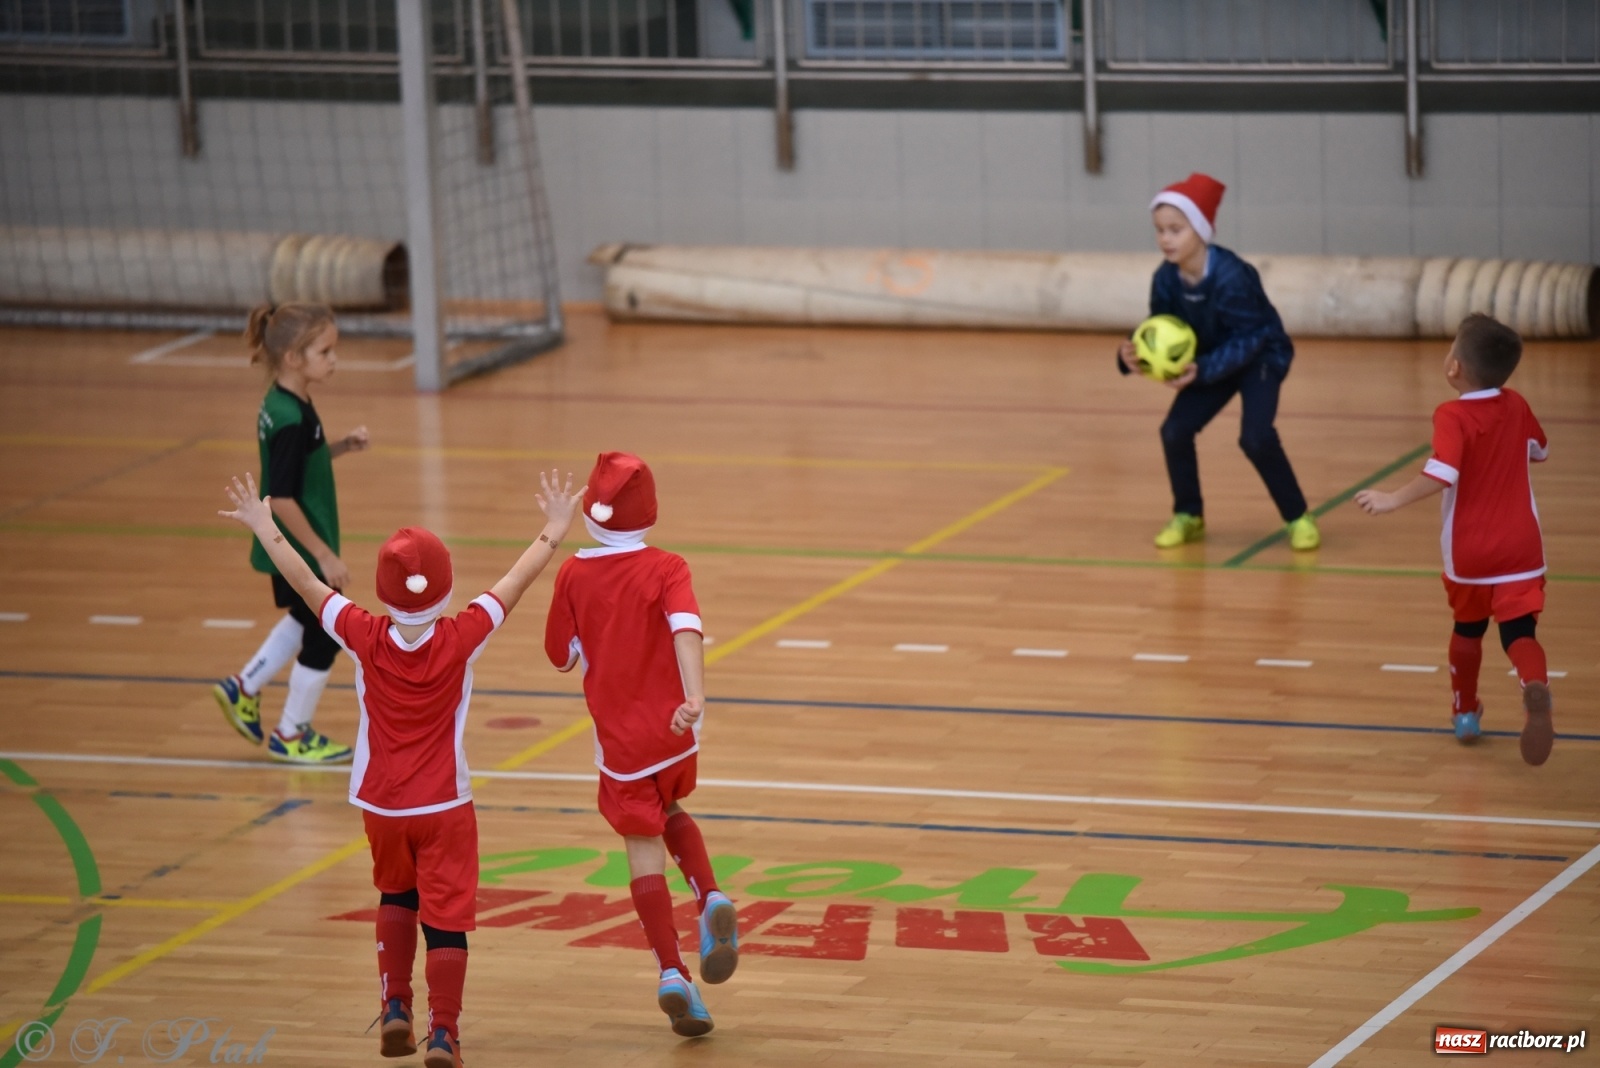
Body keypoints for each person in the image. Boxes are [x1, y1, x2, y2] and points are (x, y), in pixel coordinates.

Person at [220, 467, 585, 1067]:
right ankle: (443, 1033)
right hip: (444, 805)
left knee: (395, 894)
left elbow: (307, 585)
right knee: (446, 922)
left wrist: (266, 527)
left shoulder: (363, 634)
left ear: (383, 591)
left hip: (383, 805)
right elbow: (516, 581)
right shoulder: (463, 634)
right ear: (446, 587)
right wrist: (553, 528)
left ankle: (394, 1004)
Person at [543, 452, 738, 1038]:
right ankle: (709, 896)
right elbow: (686, 628)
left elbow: (560, 655)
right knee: (671, 809)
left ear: (590, 514)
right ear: (650, 512)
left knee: (641, 844)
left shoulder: (573, 574)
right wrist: (695, 698)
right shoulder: (668, 566)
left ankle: (673, 973)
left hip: (622, 743)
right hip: (674, 732)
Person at [1355, 313, 1554, 766]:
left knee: (1468, 629)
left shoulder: (1452, 414)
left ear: (1454, 368)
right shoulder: (1517, 404)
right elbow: (1539, 450)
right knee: (1519, 631)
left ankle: (1465, 713)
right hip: (1522, 549)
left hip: (1471, 552)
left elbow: (1443, 472)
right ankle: (1533, 684)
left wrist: (1391, 499)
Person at [1116, 172, 1320, 552]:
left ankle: (1298, 517)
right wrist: (1130, 355)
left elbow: (1252, 335)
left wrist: (1203, 370)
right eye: (1159, 230)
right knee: (1174, 431)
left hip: (1261, 355)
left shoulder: (1232, 276)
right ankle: (1188, 514)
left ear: (1201, 230)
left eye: (1175, 229)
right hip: (1212, 360)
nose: (1165, 239)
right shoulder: (1165, 278)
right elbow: (1159, 328)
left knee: (1255, 438)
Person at [212, 302, 365, 763]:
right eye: (325, 351)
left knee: (304, 620)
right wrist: (322, 555)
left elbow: (297, 469)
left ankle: (244, 686)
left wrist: (340, 447)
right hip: (297, 546)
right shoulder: (292, 420)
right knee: (325, 632)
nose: (334, 359)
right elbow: (279, 497)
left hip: (291, 545)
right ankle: (292, 733)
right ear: (294, 358)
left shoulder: (283, 402)